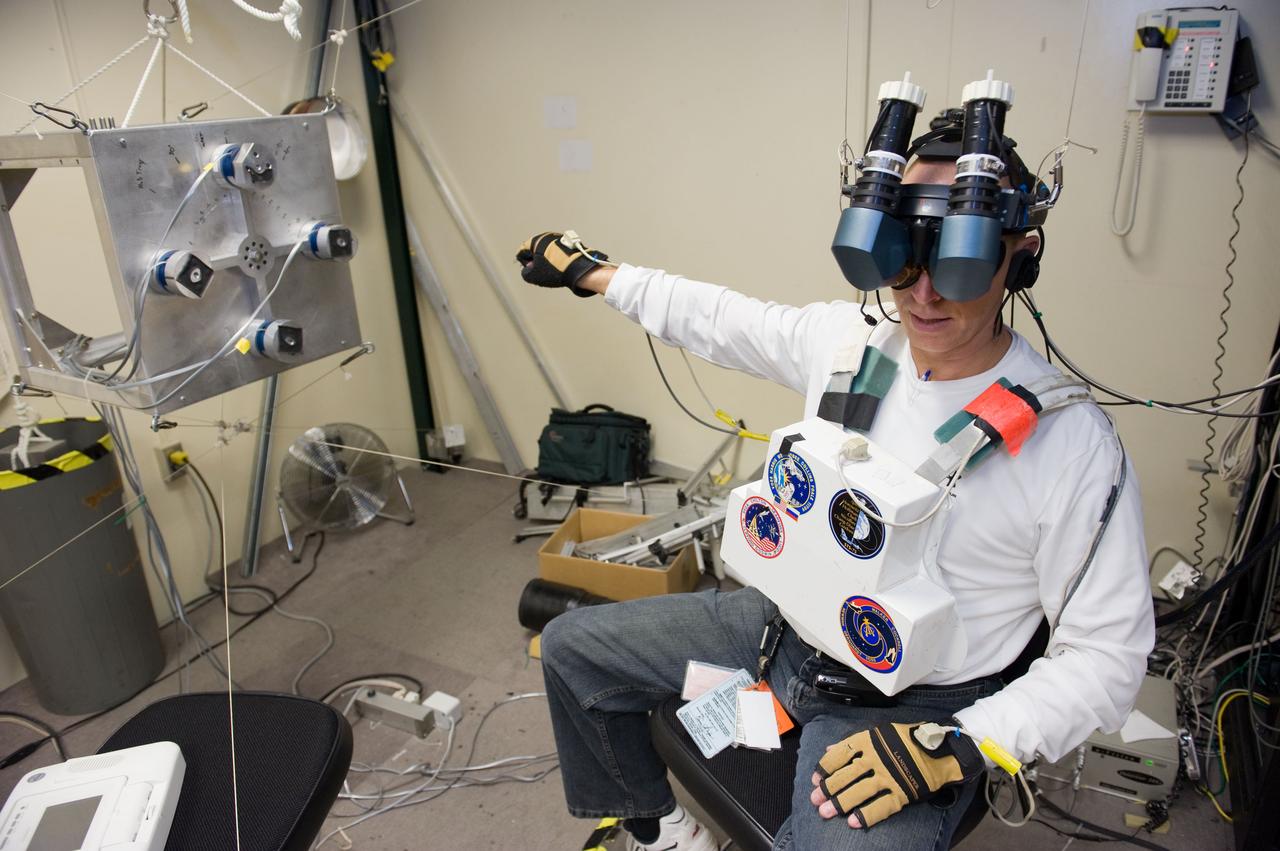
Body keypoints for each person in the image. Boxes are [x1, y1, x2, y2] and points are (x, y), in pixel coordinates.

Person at [519, 149, 1156, 851]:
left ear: (1019, 256)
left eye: (959, 263)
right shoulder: (853, 343)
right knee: (573, 649)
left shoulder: (1072, 444)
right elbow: (724, 318)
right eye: (903, 261)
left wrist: (957, 746)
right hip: (779, 634)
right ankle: (660, 831)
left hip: (910, 707)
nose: (924, 297)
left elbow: (1107, 655)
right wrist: (599, 275)